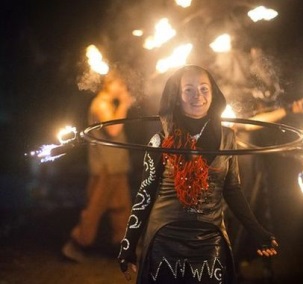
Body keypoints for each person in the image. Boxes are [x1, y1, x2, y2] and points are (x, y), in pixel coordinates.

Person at [117, 65, 278, 283]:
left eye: (204, 89)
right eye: (189, 90)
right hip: (165, 238)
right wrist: (128, 245)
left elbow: (232, 190)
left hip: (210, 239)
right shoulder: (161, 140)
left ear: (213, 94)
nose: (198, 96)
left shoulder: (228, 138)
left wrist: (257, 231)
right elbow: (144, 196)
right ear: (177, 96)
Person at [62, 70, 134, 262]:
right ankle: (76, 245)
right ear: (108, 85)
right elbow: (113, 129)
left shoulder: (108, 104)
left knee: (121, 208)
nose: (122, 88)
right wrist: (125, 105)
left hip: (115, 167)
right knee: (94, 209)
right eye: (119, 84)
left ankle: (123, 247)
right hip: (105, 168)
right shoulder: (101, 104)